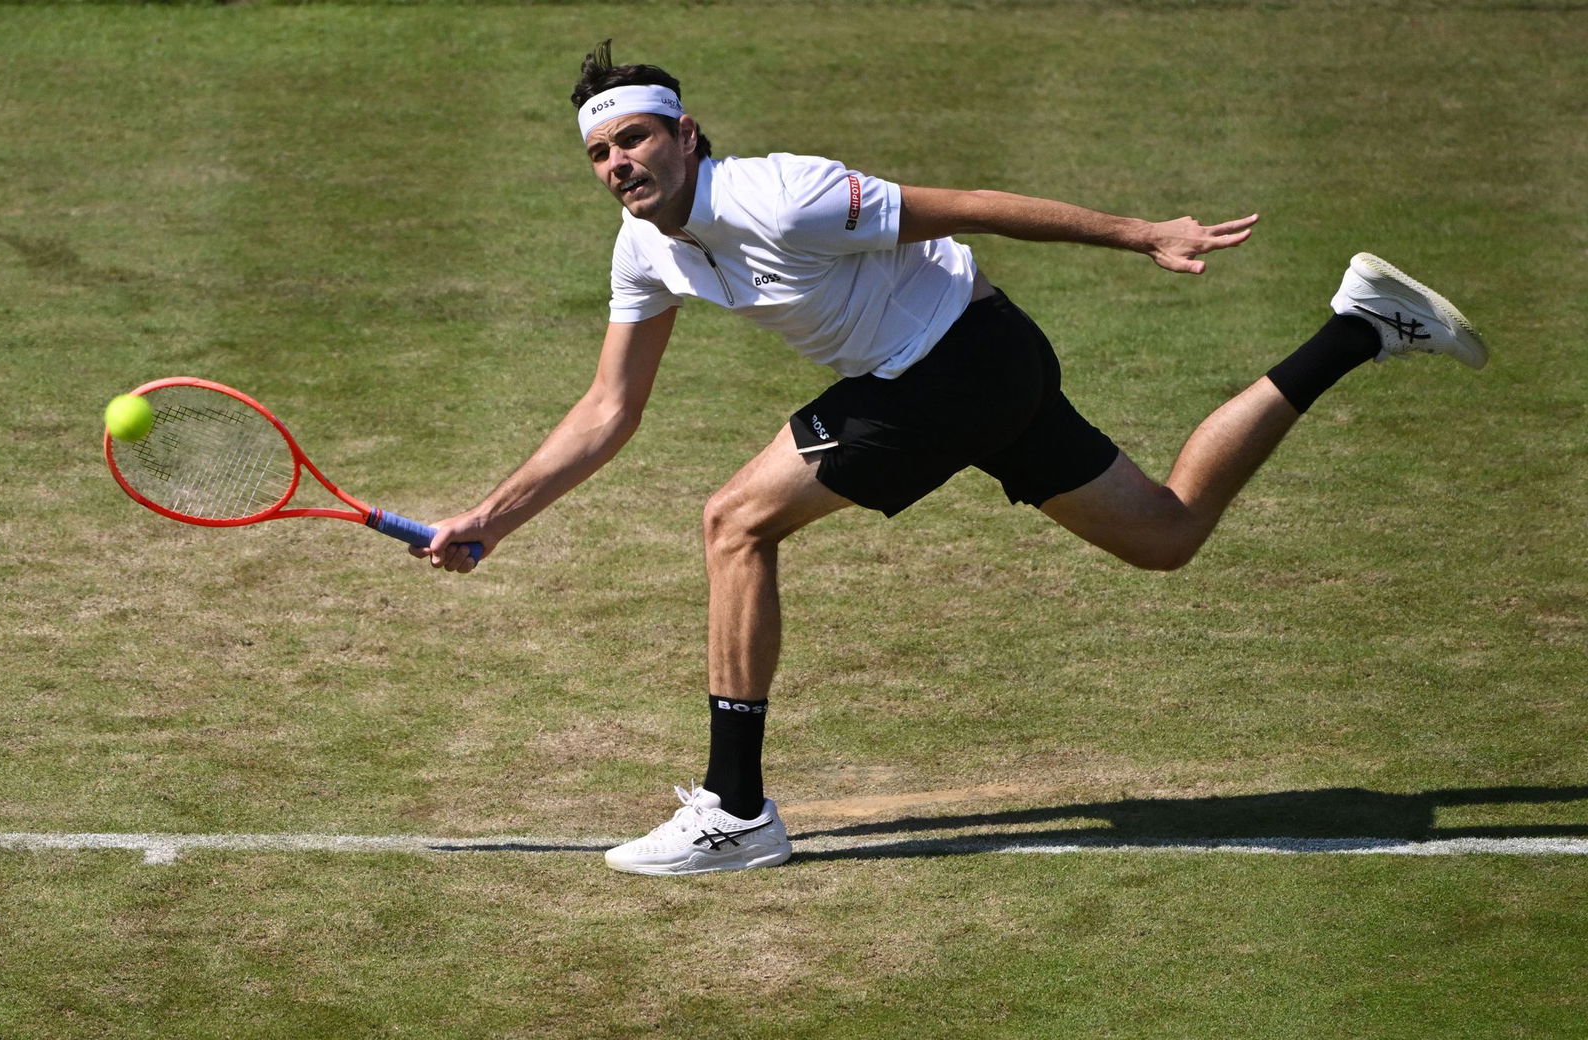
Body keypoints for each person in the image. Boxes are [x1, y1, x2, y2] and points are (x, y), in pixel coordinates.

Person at [413, 41, 1488, 876]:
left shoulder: (783, 194)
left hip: (952, 365)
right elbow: (608, 406)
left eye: (635, 141)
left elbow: (967, 206)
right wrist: (492, 517)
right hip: (961, 371)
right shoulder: (643, 244)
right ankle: (1358, 326)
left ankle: (734, 808)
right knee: (1166, 532)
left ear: (687, 134)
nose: (617, 167)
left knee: (734, 519)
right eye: (600, 154)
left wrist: (1139, 231)